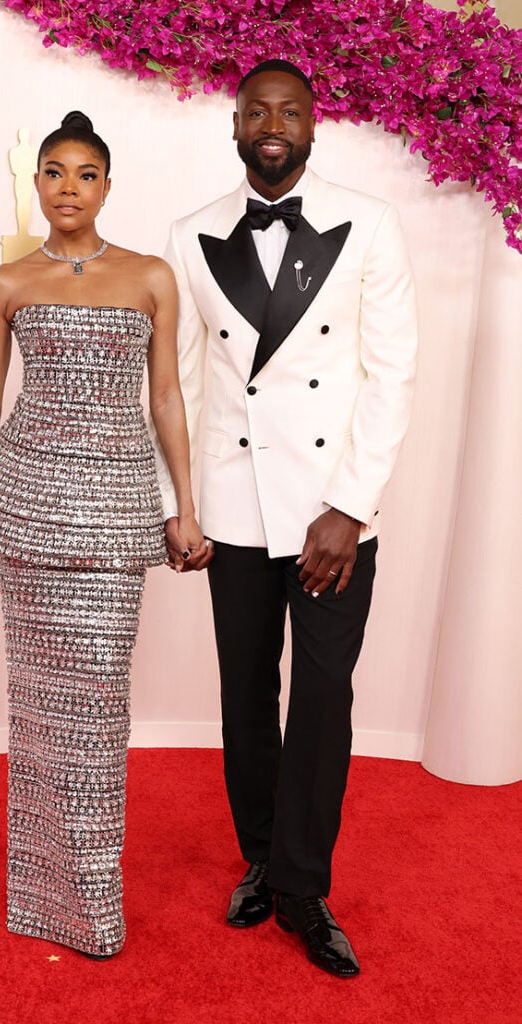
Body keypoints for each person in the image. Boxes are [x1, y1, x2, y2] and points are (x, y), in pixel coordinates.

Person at [158, 60, 418, 978]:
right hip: (231, 506)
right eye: (257, 112)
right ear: (234, 125)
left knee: (321, 697)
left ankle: (305, 885)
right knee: (244, 691)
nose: (273, 125)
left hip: (328, 514)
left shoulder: (370, 225)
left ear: (314, 125)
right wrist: (177, 506)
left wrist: (348, 506)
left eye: (290, 112)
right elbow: (181, 385)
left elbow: (390, 377)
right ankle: (263, 857)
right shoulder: (190, 234)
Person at [0, 111, 207, 959]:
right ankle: (40, 901)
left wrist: (183, 506)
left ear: (106, 186)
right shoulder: (5, 283)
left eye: (84, 175)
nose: (66, 189)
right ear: (36, 183)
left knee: (96, 707)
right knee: (37, 705)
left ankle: (91, 900)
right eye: (52, 172)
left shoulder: (152, 277)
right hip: (26, 509)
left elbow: (165, 399)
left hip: (117, 511)